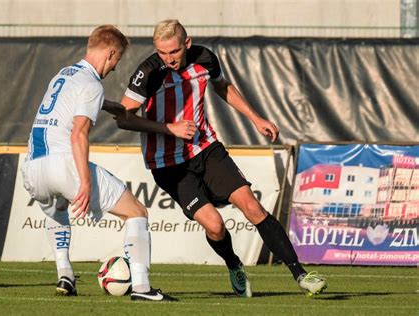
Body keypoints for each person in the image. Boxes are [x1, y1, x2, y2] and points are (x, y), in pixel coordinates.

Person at [116, 19, 327, 297]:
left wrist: (256, 118)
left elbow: (222, 86)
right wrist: (169, 128)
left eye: (174, 52)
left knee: (252, 207)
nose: (168, 59)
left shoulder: (204, 58)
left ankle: (300, 274)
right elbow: (123, 117)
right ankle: (234, 264)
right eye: (162, 53)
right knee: (215, 226)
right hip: (169, 166)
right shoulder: (149, 72)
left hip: (206, 148)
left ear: (187, 44)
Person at [21, 25, 176, 301]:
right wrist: (85, 181)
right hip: (64, 164)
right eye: (116, 60)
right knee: (137, 212)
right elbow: (79, 132)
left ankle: (65, 273)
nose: (115, 67)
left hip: (33, 167)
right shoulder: (91, 83)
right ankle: (142, 288)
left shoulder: (64, 74)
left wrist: (113, 106)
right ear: (111, 52)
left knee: (56, 210)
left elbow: (74, 102)